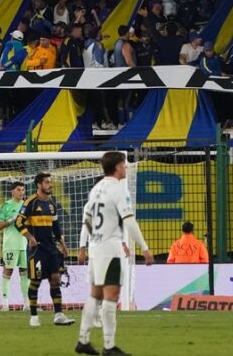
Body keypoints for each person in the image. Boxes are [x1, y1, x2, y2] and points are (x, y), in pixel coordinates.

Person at [75, 151, 153, 356]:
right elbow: (129, 220)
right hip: (109, 251)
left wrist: (93, 241)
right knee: (111, 295)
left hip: (96, 248)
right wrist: (144, 247)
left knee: (95, 294)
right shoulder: (119, 189)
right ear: (117, 166)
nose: (126, 167)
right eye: (124, 164)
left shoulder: (97, 188)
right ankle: (109, 346)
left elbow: (88, 220)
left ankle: (83, 340)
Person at [15, 172, 74, 327]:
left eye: (50, 182)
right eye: (47, 182)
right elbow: (18, 222)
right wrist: (30, 237)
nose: (50, 185)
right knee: (35, 281)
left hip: (51, 249)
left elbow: (56, 227)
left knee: (56, 279)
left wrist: (63, 244)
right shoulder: (30, 202)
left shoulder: (51, 204)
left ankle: (59, 315)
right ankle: (34, 316)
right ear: (39, 185)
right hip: (37, 250)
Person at [0, 181, 30, 312]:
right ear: (13, 191)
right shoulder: (6, 206)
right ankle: (5, 304)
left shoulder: (27, 206)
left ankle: (26, 304)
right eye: (19, 190)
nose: (22, 192)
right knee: (8, 270)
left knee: (25, 272)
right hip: (10, 244)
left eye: (23, 190)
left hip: (24, 244)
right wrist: (11, 220)